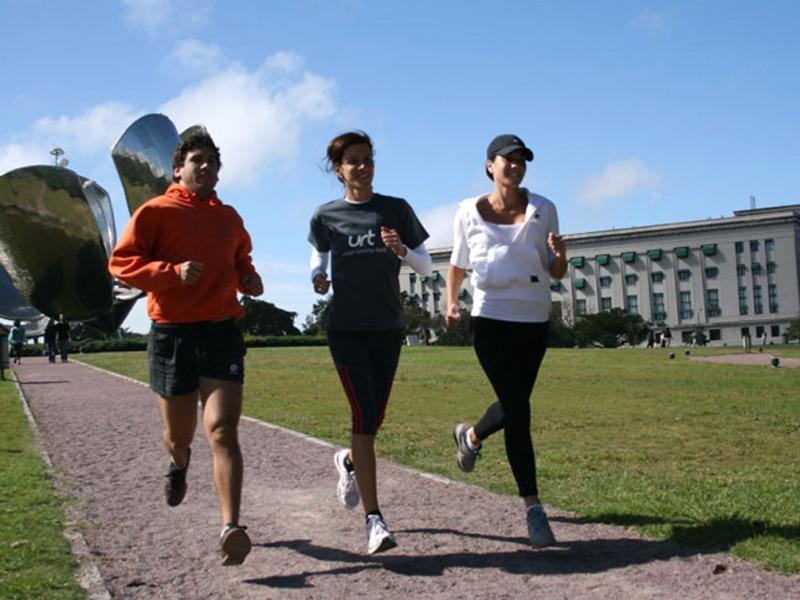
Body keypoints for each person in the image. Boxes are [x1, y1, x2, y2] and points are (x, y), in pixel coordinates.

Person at [108, 131, 263, 566]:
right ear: (178, 168)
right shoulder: (155, 212)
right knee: (180, 436)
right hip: (172, 335)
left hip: (220, 333)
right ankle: (178, 464)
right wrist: (171, 272)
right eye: (197, 160)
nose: (206, 166)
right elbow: (121, 264)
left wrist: (249, 281)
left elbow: (241, 263)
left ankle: (231, 527)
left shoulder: (230, 218)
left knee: (222, 430)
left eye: (213, 160)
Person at [308, 131, 432, 554]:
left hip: (387, 328)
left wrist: (401, 251)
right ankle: (374, 520)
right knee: (363, 416)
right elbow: (318, 256)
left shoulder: (395, 209)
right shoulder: (327, 215)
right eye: (353, 161)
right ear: (339, 170)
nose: (362, 166)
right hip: (345, 329)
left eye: (367, 159)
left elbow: (427, 264)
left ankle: (347, 462)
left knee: (374, 420)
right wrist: (317, 278)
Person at [445, 134, 567, 548]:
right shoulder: (467, 211)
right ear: (489, 165)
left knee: (516, 403)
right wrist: (451, 302)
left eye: (521, 161)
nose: (515, 166)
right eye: (507, 160)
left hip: (533, 318)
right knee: (518, 409)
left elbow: (556, 271)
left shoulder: (543, 208)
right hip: (491, 317)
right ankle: (534, 509)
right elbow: (458, 264)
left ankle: (472, 436)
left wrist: (561, 256)